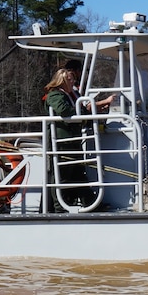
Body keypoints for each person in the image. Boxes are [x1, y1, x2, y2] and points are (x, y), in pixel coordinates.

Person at [43, 65, 115, 209]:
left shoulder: (69, 96)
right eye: (69, 79)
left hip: (72, 141)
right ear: (61, 81)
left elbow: (80, 111)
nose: (72, 82)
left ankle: (91, 204)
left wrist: (86, 114)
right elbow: (63, 110)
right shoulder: (55, 95)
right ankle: (59, 208)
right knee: (60, 175)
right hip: (61, 142)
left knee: (78, 174)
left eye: (72, 79)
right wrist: (80, 114)